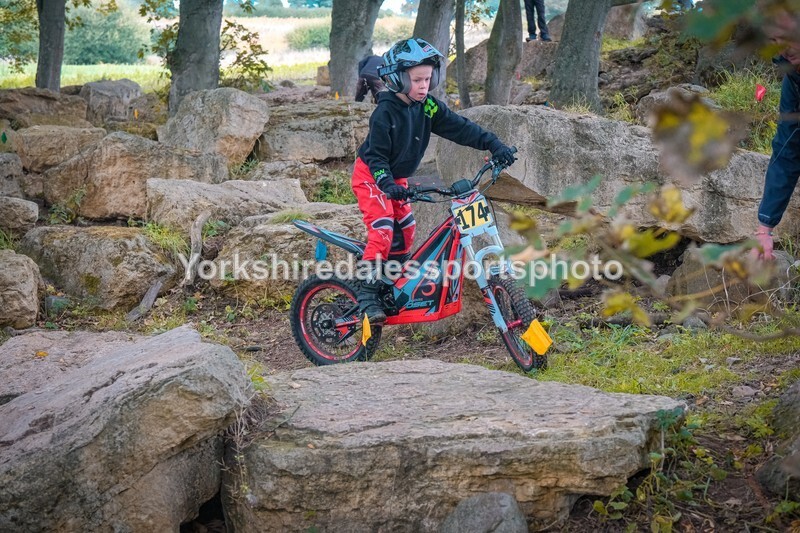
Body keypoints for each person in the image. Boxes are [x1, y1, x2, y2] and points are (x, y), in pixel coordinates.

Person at [352, 37, 517, 323]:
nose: (424, 86)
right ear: (398, 79)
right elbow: (377, 158)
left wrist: (494, 144)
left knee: (406, 231)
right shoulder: (385, 113)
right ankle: (366, 292)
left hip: (398, 178)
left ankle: (388, 284)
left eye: (428, 79)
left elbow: (460, 128)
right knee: (382, 230)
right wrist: (387, 184)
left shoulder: (427, 107)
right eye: (417, 80)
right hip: (372, 177)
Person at [753, 9, 800, 260]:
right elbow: (788, 149)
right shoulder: (793, 79)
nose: (782, 47)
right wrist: (764, 229)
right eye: (773, 40)